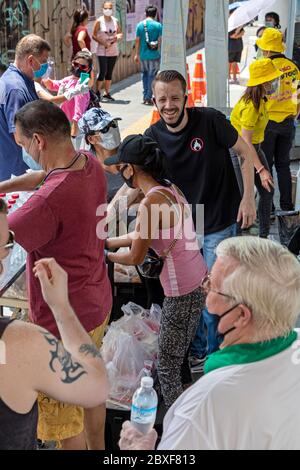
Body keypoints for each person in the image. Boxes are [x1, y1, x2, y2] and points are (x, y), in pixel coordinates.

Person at [119, 236, 300, 450]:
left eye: (211, 285)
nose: (203, 291)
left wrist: (140, 448)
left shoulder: (203, 407)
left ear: (241, 315)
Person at [5, 100, 112, 450]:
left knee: (66, 427)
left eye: (23, 145)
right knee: (92, 391)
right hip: (96, 303)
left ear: (38, 141)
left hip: (61, 325)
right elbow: (48, 176)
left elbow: (7, 234)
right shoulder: (88, 163)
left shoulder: (43, 205)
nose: (25, 152)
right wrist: (8, 186)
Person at [145, 69, 256, 362]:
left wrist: (248, 198)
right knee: (190, 296)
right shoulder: (152, 136)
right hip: (184, 230)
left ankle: (214, 357)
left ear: (186, 98)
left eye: (174, 98)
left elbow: (246, 153)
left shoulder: (210, 121)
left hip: (219, 219)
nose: (168, 105)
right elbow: (139, 180)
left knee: (214, 294)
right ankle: (196, 354)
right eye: (162, 99)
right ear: (154, 101)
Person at [105, 134, 207, 409]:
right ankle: (184, 407)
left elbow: (136, 254)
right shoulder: (169, 188)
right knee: (174, 356)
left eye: (122, 166)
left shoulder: (151, 202)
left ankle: (180, 426)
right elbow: (141, 234)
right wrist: (107, 242)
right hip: (195, 279)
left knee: (167, 367)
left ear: (132, 169)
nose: (120, 172)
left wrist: (104, 255)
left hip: (181, 291)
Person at [0, 200, 108, 449]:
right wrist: (62, 307)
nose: (7, 252)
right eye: (6, 243)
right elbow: (96, 386)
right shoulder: (21, 344)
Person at [230, 59, 282, 238]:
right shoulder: (251, 106)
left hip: (254, 148)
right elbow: (246, 143)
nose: (275, 83)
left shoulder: (261, 99)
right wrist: (261, 170)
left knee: (268, 191)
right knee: (243, 195)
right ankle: (235, 236)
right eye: (272, 79)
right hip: (240, 152)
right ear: (263, 82)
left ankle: (263, 237)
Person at [257, 28, 300, 212]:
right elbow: (297, 96)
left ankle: (270, 210)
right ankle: (286, 206)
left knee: (266, 167)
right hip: (288, 122)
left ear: (266, 50)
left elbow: (255, 95)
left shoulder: (263, 66)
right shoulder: (293, 67)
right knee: (283, 165)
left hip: (266, 123)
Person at [0, 34, 51, 181]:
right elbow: (20, 136)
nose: (46, 66)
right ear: (30, 60)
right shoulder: (15, 89)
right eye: (43, 62)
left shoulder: (20, 81)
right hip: (18, 174)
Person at [42, 51, 92, 143]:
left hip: (73, 128)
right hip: (64, 123)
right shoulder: (69, 79)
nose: (78, 68)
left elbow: (77, 116)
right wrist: (45, 73)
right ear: (72, 63)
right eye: (76, 64)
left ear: (88, 69)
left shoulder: (81, 86)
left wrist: (72, 139)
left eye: (83, 66)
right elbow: (51, 85)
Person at [78, 107, 124, 201]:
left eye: (113, 124)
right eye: (105, 129)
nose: (112, 129)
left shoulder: (133, 152)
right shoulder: (85, 168)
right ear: (91, 139)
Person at [92, 1, 123, 101]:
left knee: (109, 72)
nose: (107, 10)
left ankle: (107, 92)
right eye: (106, 8)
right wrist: (103, 42)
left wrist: (117, 37)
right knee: (103, 71)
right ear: (102, 9)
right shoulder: (99, 21)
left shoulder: (116, 21)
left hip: (113, 50)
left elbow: (120, 33)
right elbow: (93, 35)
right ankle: (97, 91)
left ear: (112, 9)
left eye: (109, 8)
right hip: (102, 50)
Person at [134, 4, 162, 105]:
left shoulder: (140, 25)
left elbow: (137, 41)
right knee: (152, 76)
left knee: (144, 75)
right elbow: (160, 40)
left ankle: (145, 95)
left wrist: (136, 54)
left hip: (143, 55)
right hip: (154, 55)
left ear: (146, 14)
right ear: (155, 14)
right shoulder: (158, 25)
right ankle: (148, 97)